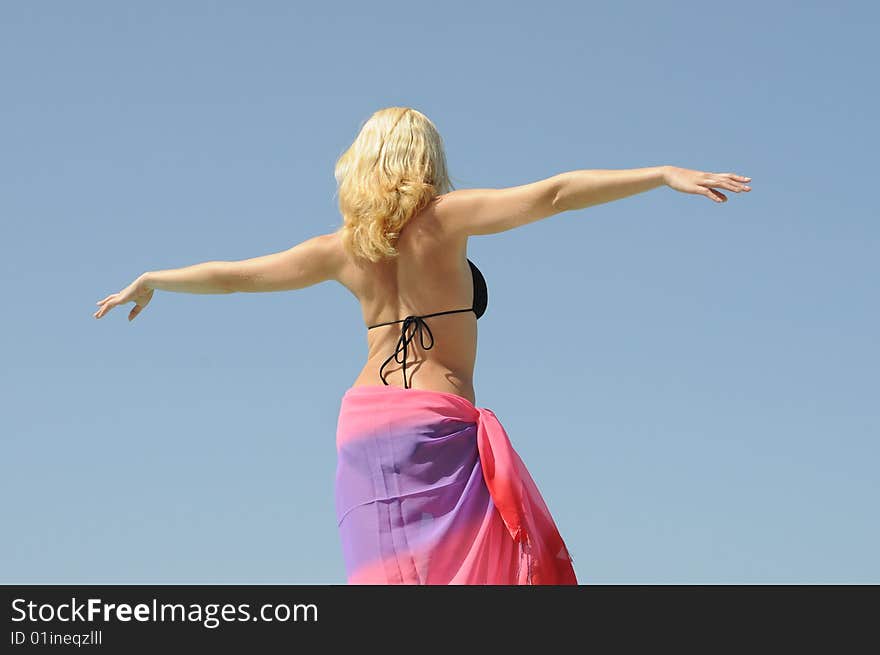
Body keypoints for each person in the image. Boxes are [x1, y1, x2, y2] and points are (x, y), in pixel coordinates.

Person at [94, 106, 751, 584]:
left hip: (362, 426)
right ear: (425, 160)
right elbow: (551, 194)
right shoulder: (445, 216)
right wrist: (661, 172)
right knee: (492, 572)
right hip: (431, 422)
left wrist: (154, 279)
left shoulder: (343, 248)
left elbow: (237, 278)